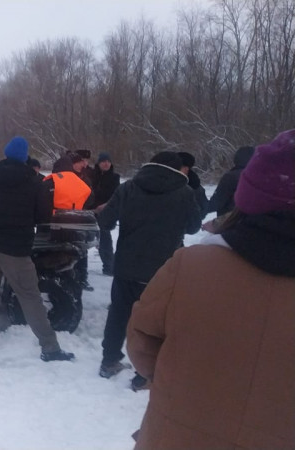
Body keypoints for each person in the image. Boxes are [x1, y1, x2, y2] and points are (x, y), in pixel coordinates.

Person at [126, 129, 295, 449]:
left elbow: (142, 342)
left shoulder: (190, 267)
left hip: (177, 434)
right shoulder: (185, 206)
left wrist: (179, 378)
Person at [0, 137, 74, 361]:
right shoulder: (35, 182)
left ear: (5, 153)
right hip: (17, 250)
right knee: (31, 298)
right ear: (25, 157)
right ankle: (50, 348)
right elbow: (43, 217)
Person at [97, 151, 201, 388]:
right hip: (163, 269)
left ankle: (109, 361)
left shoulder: (129, 188)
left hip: (126, 265)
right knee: (155, 322)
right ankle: (144, 374)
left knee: (119, 314)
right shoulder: (184, 193)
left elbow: (105, 222)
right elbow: (194, 227)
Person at [45, 152, 94, 291]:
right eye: (79, 162)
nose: (82, 164)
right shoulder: (83, 182)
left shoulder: (52, 181)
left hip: (59, 225)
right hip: (75, 225)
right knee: (74, 255)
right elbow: (90, 199)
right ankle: (75, 283)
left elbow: (42, 203)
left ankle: (74, 281)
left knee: (67, 257)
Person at [85, 152, 120, 275]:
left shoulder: (115, 177)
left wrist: (105, 206)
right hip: (91, 210)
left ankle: (109, 266)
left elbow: (116, 196)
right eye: (103, 161)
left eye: (108, 161)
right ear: (99, 163)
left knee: (105, 239)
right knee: (85, 237)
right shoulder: (92, 176)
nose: (106, 164)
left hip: (106, 211)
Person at [206, 145, 255, 219]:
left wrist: (200, 210)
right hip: (255, 224)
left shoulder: (230, 177)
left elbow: (218, 201)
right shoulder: (261, 177)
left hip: (230, 221)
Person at [177, 151, 208, 219]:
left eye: (188, 166)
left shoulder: (194, 183)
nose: (186, 169)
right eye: (183, 166)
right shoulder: (165, 182)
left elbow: (203, 207)